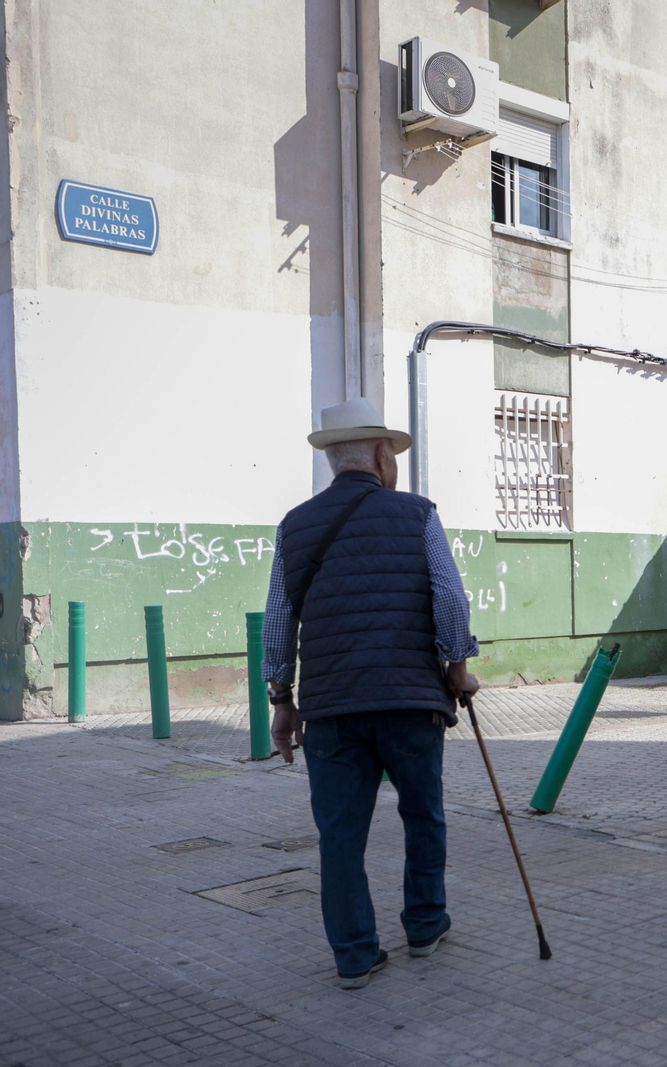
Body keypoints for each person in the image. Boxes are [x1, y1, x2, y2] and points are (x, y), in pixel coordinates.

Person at [264, 397, 481, 990]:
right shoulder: (417, 515)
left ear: (334, 461)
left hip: (332, 709)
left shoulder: (294, 526)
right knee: (423, 815)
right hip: (410, 701)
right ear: (383, 456)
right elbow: (451, 600)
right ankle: (425, 924)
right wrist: (458, 667)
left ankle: (355, 954)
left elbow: (278, 624)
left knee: (339, 833)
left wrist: (281, 700)